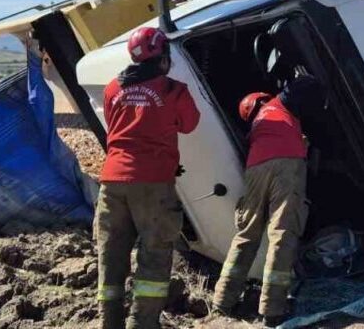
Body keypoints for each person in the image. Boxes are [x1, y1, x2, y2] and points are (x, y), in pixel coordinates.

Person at [95, 26, 201, 329]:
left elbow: (114, 126)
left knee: (111, 254)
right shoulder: (173, 89)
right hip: (152, 182)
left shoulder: (112, 88)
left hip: (112, 181)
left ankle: (109, 322)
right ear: (163, 56)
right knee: (154, 254)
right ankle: (141, 324)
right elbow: (190, 124)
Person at [212, 74, 322, 326]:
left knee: (246, 235)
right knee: (282, 235)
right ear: (262, 99)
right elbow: (301, 87)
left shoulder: (255, 129)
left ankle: (223, 299)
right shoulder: (277, 105)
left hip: (255, 168)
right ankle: (272, 310)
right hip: (288, 164)